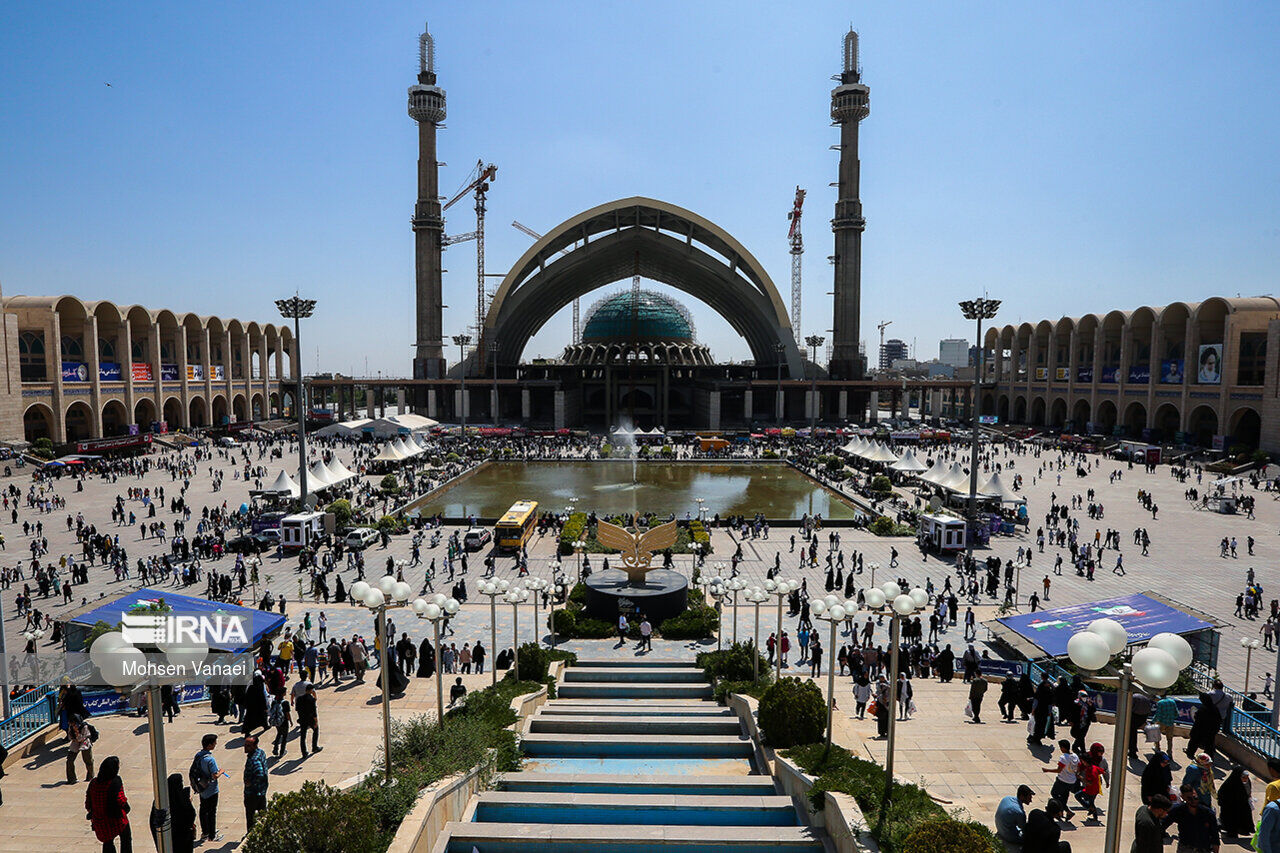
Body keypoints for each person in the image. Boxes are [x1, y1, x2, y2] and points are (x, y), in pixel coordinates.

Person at [85, 755, 132, 853]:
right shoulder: (115, 781)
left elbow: (88, 803)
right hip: (117, 819)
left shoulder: (93, 783)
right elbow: (121, 799)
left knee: (107, 842)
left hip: (100, 821)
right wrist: (126, 809)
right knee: (126, 838)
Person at [1165, 784, 1219, 853]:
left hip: (1203, 847)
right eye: (1189, 798)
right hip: (1186, 847)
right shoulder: (1178, 811)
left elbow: (1214, 831)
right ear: (1183, 797)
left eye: (1195, 798)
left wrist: (1216, 844)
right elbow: (1164, 823)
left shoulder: (1207, 813)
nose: (1193, 801)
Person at [191, 733, 222, 842]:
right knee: (212, 812)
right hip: (211, 789)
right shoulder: (210, 760)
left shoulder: (198, 755)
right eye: (214, 743)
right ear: (209, 745)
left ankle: (205, 832)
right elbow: (214, 776)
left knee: (203, 810)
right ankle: (212, 835)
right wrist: (221, 772)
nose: (215, 744)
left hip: (201, 788)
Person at [157, 772, 197, 853]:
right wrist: (188, 802)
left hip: (169, 839)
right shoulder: (182, 801)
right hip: (183, 838)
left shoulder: (161, 801)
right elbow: (191, 815)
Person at [1042, 739, 1079, 821]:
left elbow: (1059, 770)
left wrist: (1047, 770)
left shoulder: (1063, 758)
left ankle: (1067, 811)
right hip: (1072, 781)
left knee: (1054, 793)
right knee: (1064, 796)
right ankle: (1061, 812)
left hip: (1062, 780)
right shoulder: (1075, 756)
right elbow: (1078, 767)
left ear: (1063, 748)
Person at [1216, 765, 1253, 840]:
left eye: (1247, 777)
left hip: (1242, 805)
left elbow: (1248, 791)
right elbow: (1221, 794)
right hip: (1230, 807)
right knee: (1230, 821)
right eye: (1243, 777)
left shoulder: (1247, 782)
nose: (1245, 779)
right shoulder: (1229, 784)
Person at [242, 735, 269, 832]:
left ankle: (251, 835)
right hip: (261, 791)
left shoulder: (254, 759)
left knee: (250, 817)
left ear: (254, 746)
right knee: (263, 815)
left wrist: (250, 783)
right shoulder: (260, 752)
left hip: (252, 794)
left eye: (248, 746)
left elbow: (260, 773)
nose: (245, 747)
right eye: (245, 745)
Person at [66, 711, 94, 783]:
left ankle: (90, 776)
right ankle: (71, 779)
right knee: (69, 760)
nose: (72, 725)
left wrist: (77, 732)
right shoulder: (71, 727)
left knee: (88, 760)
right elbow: (70, 737)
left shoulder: (84, 727)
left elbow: (82, 738)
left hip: (85, 743)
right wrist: (74, 735)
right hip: (75, 742)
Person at [295, 681, 320, 757]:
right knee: (316, 730)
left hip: (302, 719)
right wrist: (316, 721)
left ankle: (304, 752)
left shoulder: (299, 699)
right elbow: (314, 712)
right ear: (311, 690)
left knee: (303, 736)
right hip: (310, 719)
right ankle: (314, 747)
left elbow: (297, 709)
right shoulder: (312, 699)